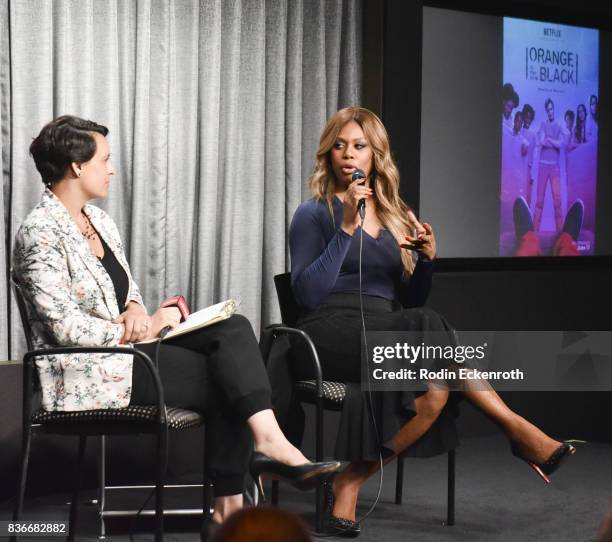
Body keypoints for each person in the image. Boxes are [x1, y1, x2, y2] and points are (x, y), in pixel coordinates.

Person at [12, 116, 341, 528]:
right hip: (85, 371)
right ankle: (237, 496)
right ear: (77, 166)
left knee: (233, 327)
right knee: (228, 376)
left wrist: (135, 309)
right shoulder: (38, 232)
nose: (112, 169)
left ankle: (257, 461)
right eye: (105, 160)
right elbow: (64, 328)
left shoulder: (101, 222)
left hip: (126, 356)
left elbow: (127, 291)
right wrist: (140, 327)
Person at [289, 106, 575, 536]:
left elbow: (408, 299)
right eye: (340, 146)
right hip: (329, 334)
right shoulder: (313, 214)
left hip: (389, 329)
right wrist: (347, 228)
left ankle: (348, 480)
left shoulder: (392, 215)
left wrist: (426, 261)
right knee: (429, 325)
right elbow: (305, 295)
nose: (348, 155)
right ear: (328, 155)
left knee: (436, 392)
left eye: (359, 146)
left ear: (375, 156)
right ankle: (516, 429)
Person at [534, 98, 563, 232]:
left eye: (552, 109)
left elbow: (560, 145)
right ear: (546, 111)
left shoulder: (559, 124)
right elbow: (541, 142)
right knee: (539, 201)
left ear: (553, 109)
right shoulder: (543, 124)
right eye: (548, 109)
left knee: (557, 201)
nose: (550, 111)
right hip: (543, 166)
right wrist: (553, 141)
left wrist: (549, 139)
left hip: (555, 167)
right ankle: (534, 233)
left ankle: (561, 235)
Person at [521, 104, 537, 206]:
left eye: (530, 118)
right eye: (526, 117)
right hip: (518, 166)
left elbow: (534, 156)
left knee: (528, 196)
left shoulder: (533, 135)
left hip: (528, 168)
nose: (528, 120)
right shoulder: (519, 130)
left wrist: (533, 174)